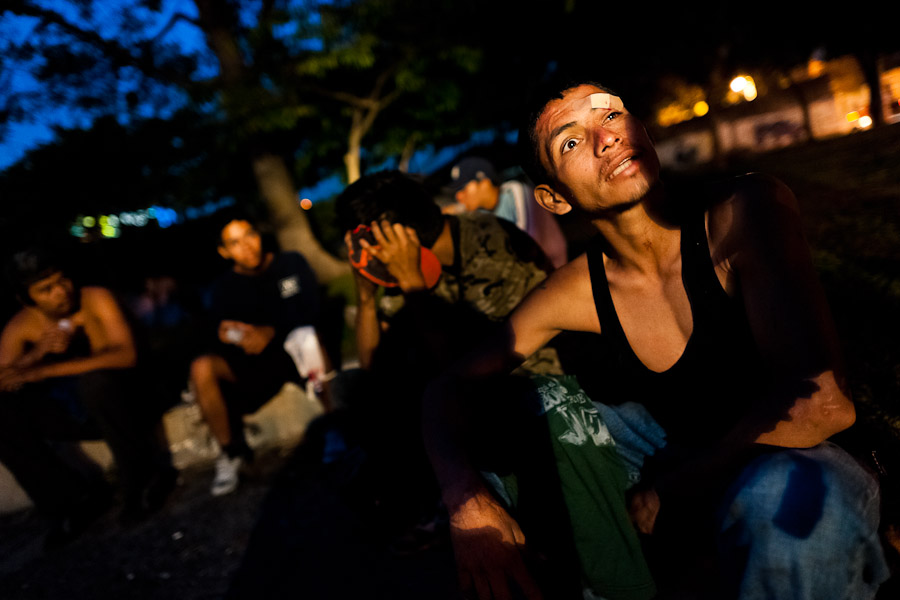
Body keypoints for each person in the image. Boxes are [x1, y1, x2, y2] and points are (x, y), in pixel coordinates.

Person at [423, 81, 889, 599]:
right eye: (571, 142)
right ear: (553, 198)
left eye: (612, 115)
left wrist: (672, 488)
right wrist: (465, 500)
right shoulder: (579, 288)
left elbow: (824, 406)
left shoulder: (742, 209)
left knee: (783, 496)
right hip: (679, 442)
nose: (606, 139)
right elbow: (448, 387)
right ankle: (615, 586)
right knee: (535, 411)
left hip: (804, 453)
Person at [330, 171, 562, 538]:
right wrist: (365, 297)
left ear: (398, 235)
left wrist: (413, 287)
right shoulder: (396, 267)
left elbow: (468, 376)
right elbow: (374, 368)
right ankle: (417, 498)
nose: (363, 252)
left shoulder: (489, 245)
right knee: (356, 389)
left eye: (366, 240)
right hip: (452, 381)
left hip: (527, 388)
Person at [0, 248, 176, 544]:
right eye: (46, 289)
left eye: (62, 281)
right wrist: (37, 355)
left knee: (96, 383)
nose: (61, 292)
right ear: (26, 299)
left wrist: (46, 372)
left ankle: (143, 479)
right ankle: (71, 500)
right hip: (76, 412)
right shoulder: (21, 327)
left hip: (128, 402)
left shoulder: (95, 299)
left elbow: (126, 355)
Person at [189, 216, 326, 496]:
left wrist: (271, 330)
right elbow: (217, 328)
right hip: (254, 366)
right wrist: (227, 334)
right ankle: (230, 453)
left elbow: (311, 307)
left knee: (309, 336)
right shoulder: (224, 287)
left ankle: (337, 425)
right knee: (201, 366)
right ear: (224, 252)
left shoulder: (290, 263)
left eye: (250, 235)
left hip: (295, 353)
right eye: (234, 243)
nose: (247, 246)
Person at [448, 156, 569, 268]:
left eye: (463, 188)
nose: (458, 196)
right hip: (528, 274)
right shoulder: (482, 212)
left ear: (484, 182)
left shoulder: (515, 191)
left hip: (554, 267)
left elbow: (526, 244)